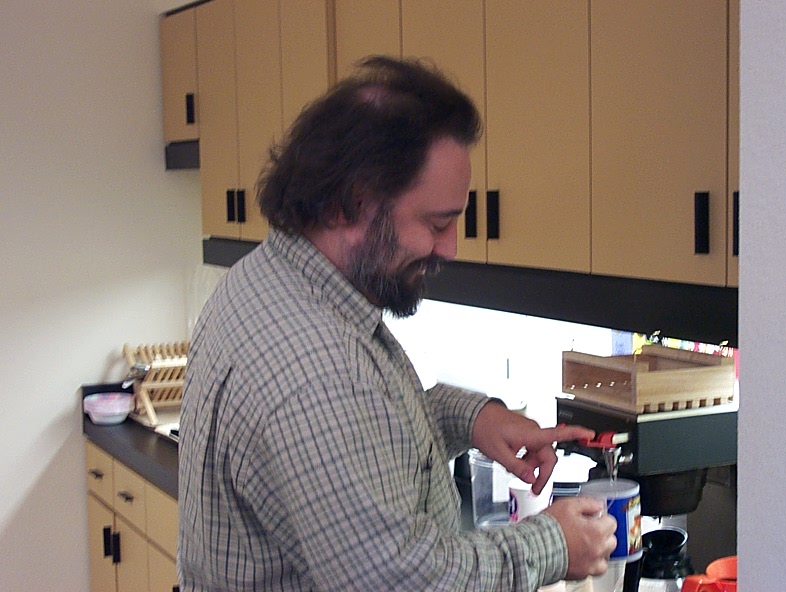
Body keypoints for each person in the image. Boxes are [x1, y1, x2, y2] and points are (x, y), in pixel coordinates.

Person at [177, 55, 617, 592]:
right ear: (352, 204)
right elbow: (401, 580)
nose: (450, 248)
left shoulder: (272, 283)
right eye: (437, 223)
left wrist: (474, 419)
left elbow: (368, 429)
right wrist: (553, 543)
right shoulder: (318, 365)